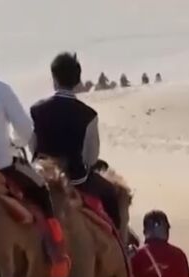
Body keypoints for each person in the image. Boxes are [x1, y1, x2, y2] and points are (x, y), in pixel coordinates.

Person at [30, 52, 121, 229]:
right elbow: (91, 158)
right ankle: (119, 245)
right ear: (77, 81)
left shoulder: (36, 110)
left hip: (42, 178)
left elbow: (31, 145)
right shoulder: (89, 115)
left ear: (53, 78)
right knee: (111, 194)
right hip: (76, 180)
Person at [0, 79, 70, 277]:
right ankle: (57, 256)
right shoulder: (1, 89)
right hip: (3, 166)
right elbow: (26, 130)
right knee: (42, 189)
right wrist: (24, 146)